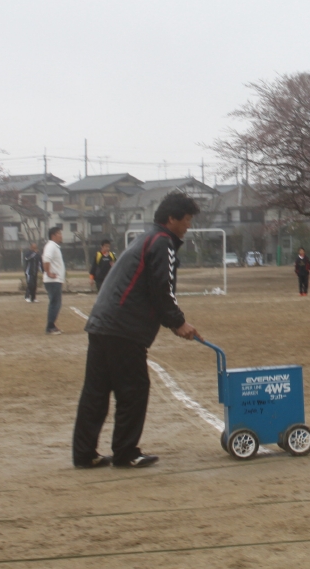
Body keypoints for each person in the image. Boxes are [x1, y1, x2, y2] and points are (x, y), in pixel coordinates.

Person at [72, 191, 202, 469]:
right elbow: (161, 288)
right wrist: (178, 322)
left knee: (96, 391)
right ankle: (126, 452)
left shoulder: (145, 238)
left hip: (102, 324)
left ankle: (84, 454)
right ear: (172, 219)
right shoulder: (163, 242)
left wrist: (172, 321)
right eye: (187, 219)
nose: (188, 225)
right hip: (124, 329)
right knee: (134, 389)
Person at [42, 225, 66, 335]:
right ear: (53, 235)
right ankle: (50, 327)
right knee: (55, 303)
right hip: (52, 281)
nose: (61, 236)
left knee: (56, 303)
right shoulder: (51, 246)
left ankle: (52, 325)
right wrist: (49, 273)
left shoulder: (54, 246)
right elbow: (46, 259)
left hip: (56, 280)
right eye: (59, 234)